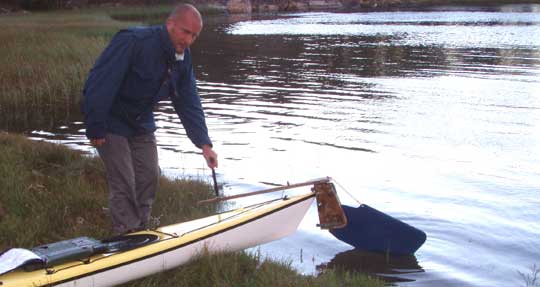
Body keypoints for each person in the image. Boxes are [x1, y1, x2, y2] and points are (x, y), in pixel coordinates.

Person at [82, 3, 218, 235]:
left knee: (149, 176)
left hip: (141, 121)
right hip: (111, 120)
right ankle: (125, 232)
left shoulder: (183, 59)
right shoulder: (133, 41)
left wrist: (204, 144)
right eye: (185, 31)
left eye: (194, 35)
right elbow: (99, 83)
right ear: (170, 24)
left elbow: (189, 101)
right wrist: (95, 127)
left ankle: (140, 230)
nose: (189, 40)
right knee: (123, 180)